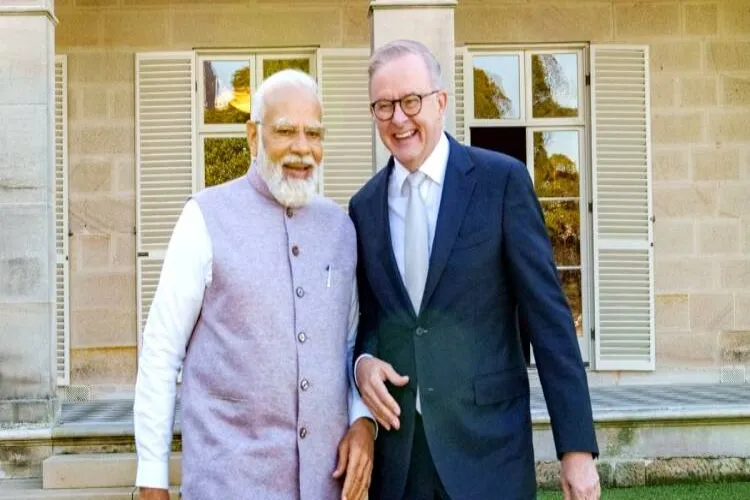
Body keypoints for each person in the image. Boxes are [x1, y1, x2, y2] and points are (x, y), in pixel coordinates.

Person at [349, 40, 601, 500]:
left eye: (411, 101)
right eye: (384, 106)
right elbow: (369, 319)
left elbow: (548, 319)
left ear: (440, 101)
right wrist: (363, 364)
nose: (398, 119)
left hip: (490, 453)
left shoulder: (501, 182)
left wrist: (576, 449)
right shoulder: (363, 207)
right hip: (401, 460)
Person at [133, 69, 376, 500]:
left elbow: (350, 344)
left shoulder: (342, 228)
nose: (302, 148)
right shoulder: (203, 218)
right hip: (227, 484)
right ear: (252, 137)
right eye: (285, 131)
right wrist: (152, 477)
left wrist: (362, 420)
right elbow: (161, 351)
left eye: (314, 134)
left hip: (327, 487)